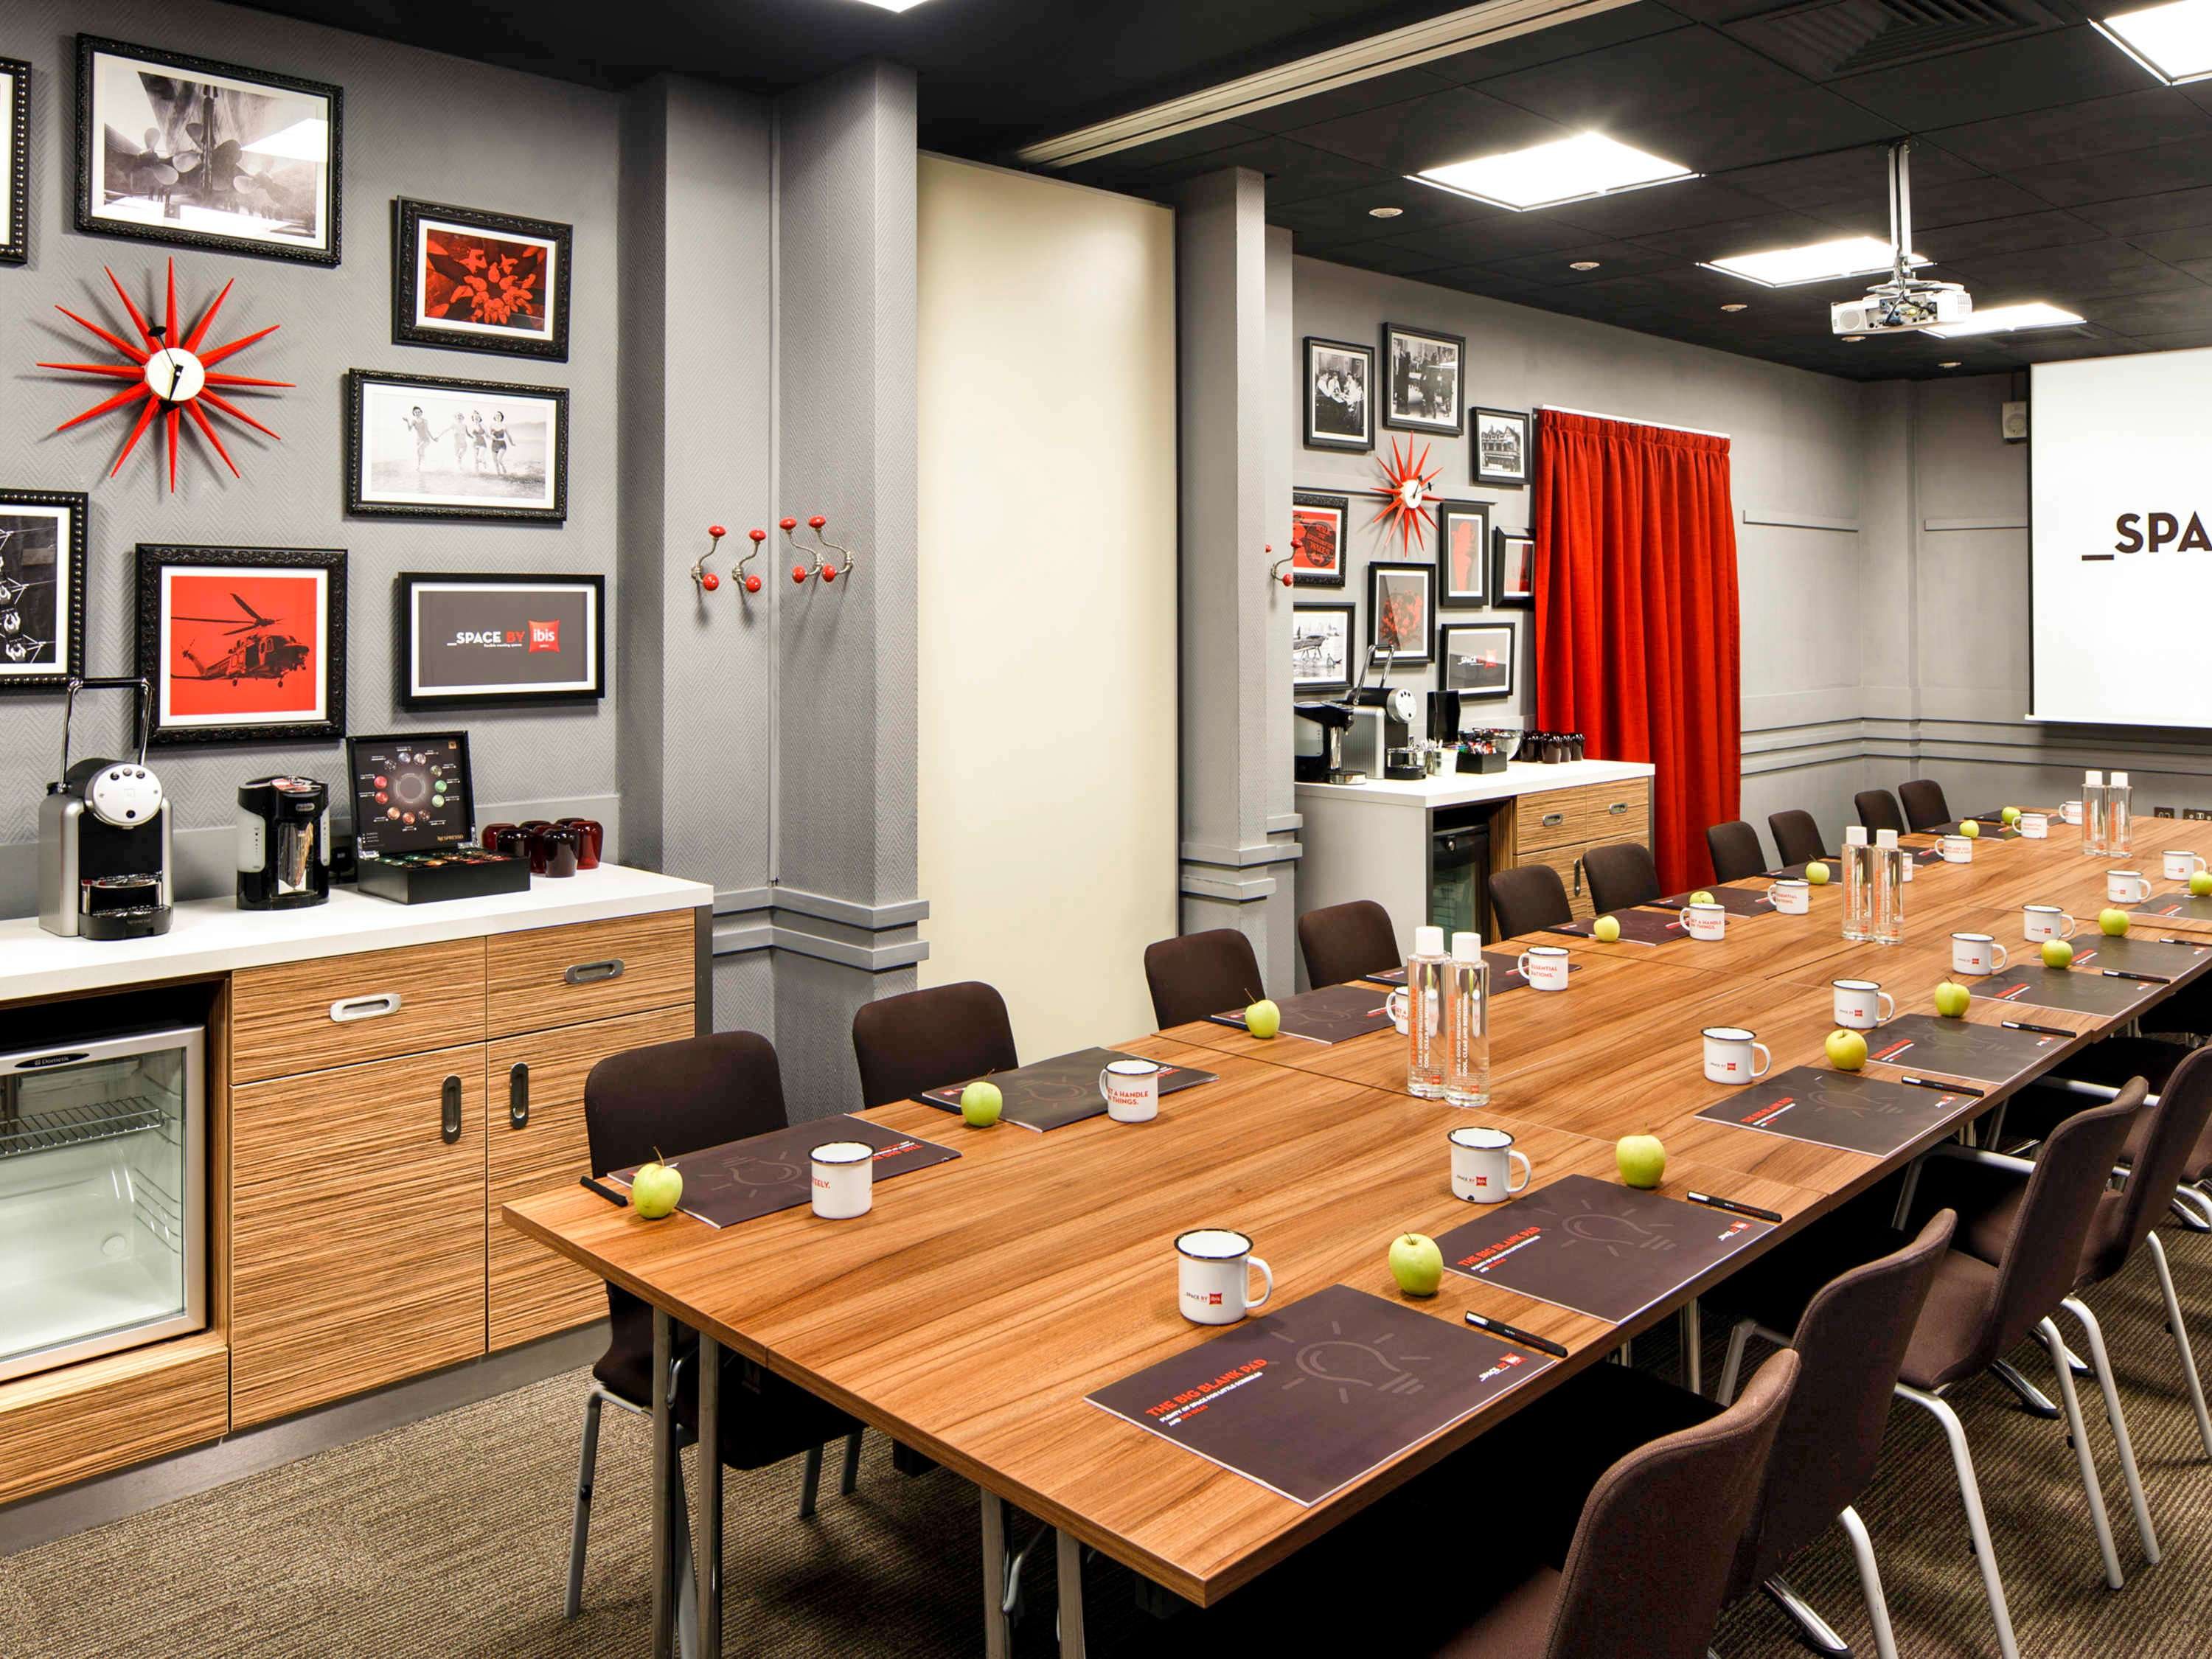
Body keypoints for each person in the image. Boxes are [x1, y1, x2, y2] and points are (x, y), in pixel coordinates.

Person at [401, 405, 438, 484]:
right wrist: (407, 421)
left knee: (418, 450)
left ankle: (419, 466)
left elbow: (428, 431)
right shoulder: (413, 421)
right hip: (418, 440)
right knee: (421, 453)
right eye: (416, 412)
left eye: (418, 412)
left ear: (421, 412)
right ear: (414, 413)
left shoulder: (425, 421)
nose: (417, 413)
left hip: (426, 439)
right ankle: (424, 467)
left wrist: (433, 439)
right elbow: (410, 429)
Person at [487, 411, 510, 476]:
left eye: (499, 415)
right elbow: (489, 435)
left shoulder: (504, 426)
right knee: (495, 462)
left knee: (499, 460)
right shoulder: (491, 426)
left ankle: (503, 467)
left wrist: (512, 443)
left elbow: (508, 435)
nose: (497, 416)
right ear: (494, 417)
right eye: (496, 415)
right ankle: (499, 474)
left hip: (502, 444)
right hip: (494, 444)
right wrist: (492, 436)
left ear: (501, 417)